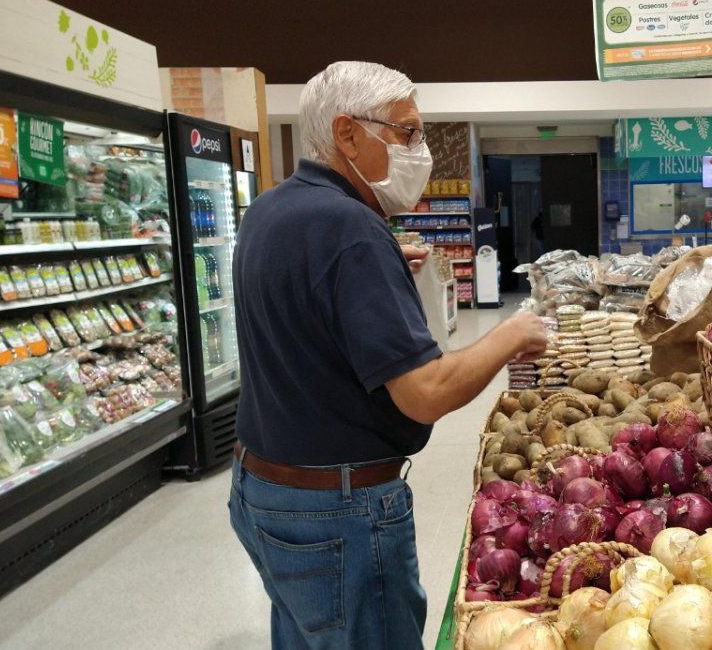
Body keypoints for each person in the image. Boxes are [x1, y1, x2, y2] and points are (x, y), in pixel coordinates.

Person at [228, 61, 548, 649]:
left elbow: (302, 304)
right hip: (336, 511)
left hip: (261, 489)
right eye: (406, 133)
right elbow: (423, 393)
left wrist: (375, 273)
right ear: (347, 133)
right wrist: (512, 334)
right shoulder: (351, 229)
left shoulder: (269, 211)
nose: (419, 151)